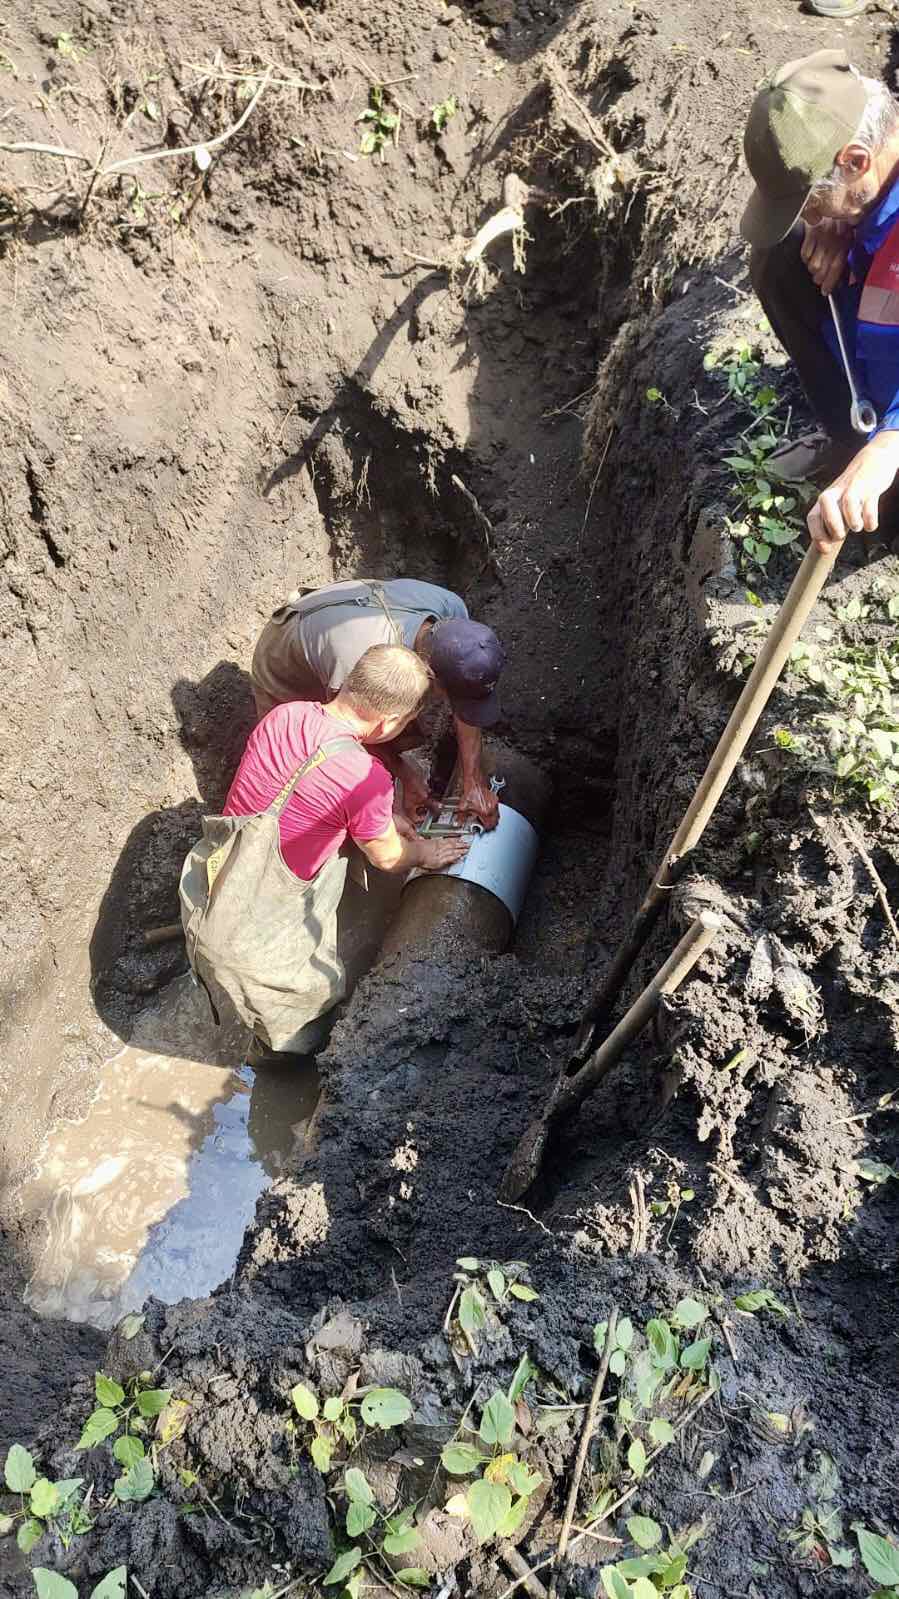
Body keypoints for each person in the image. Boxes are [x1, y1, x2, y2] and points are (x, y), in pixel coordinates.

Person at [179, 645, 469, 1059]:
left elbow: (295, 791)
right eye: (406, 721)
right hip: (254, 934)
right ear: (390, 721)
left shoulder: (286, 715)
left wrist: (378, 818)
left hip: (209, 884)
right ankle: (283, 1063)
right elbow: (388, 859)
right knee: (309, 1004)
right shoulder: (364, 777)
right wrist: (425, 852)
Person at [741, 50, 899, 553]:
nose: (808, 215)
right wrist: (840, 219)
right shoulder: (870, 178)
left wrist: (890, 445)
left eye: (808, 200)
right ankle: (850, 442)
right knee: (780, 254)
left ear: (855, 161)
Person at [251, 577, 506, 829]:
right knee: (309, 765)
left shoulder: (455, 617)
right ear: (430, 674)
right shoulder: (356, 665)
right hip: (286, 658)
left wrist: (473, 779)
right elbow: (354, 728)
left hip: (341, 630)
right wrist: (405, 775)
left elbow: (466, 693)